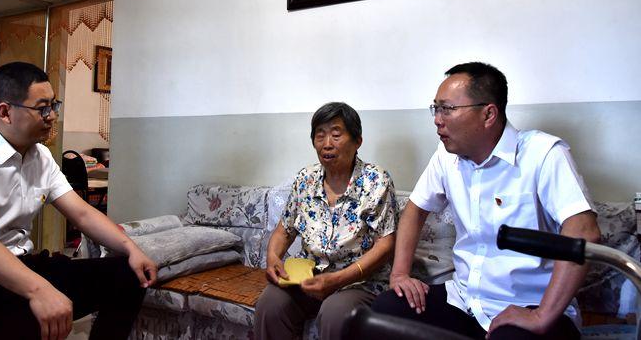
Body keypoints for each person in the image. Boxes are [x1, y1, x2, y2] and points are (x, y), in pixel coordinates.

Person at [0, 62, 158, 340]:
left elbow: (82, 214)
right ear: (5, 112)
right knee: (32, 311)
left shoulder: (40, 156)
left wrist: (131, 249)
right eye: (43, 108)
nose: (52, 116)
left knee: (129, 275)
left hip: (21, 265)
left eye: (54, 105)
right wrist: (40, 290)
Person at [371, 62, 601, 340]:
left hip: (530, 305)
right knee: (385, 310)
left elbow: (584, 232)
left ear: (488, 114)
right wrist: (399, 274)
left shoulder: (543, 154)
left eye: (447, 109)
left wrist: (541, 316)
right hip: (465, 301)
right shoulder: (446, 157)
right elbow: (415, 209)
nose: (437, 119)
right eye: (436, 109)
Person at [255, 102, 398, 340]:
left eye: (336, 134)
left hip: (358, 283)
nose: (327, 144)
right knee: (270, 303)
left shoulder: (376, 181)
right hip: (309, 278)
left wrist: (339, 279)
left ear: (357, 141)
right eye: (320, 135)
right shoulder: (305, 179)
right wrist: (272, 259)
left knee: (336, 313)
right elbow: (284, 231)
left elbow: (386, 244)